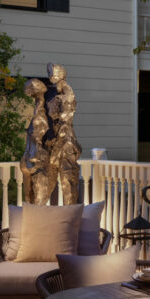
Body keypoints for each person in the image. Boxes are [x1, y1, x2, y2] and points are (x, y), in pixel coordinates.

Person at [46, 63, 83, 204]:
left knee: (68, 186)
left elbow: (64, 120)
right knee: (51, 182)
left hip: (65, 144)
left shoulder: (67, 95)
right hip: (57, 143)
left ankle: (72, 221)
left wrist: (54, 153)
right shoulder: (57, 95)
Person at [19, 78, 55, 204]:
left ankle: (38, 221)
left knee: (39, 199)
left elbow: (39, 137)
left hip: (38, 162)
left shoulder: (40, 118)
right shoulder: (38, 113)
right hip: (29, 161)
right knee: (29, 198)